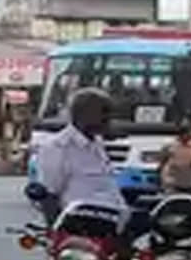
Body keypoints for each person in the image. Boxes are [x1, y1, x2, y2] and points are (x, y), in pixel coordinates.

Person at [35, 88, 125, 218]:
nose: (108, 119)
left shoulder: (97, 143)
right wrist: (57, 234)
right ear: (83, 114)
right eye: (104, 112)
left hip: (110, 222)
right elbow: (49, 196)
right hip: (80, 226)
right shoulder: (58, 147)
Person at [158, 114, 191, 194]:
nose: (187, 136)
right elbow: (162, 161)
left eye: (188, 133)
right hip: (172, 182)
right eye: (183, 133)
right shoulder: (171, 145)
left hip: (189, 182)